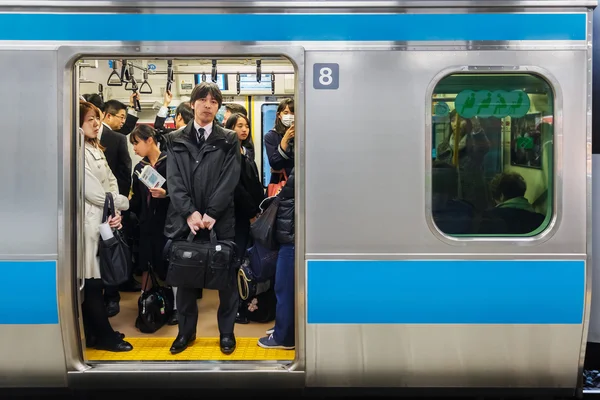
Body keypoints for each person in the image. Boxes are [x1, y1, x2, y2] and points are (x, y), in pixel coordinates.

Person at [163, 82, 241, 355]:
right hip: (187, 222)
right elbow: (174, 180)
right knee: (185, 280)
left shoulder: (229, 139)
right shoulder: (174, 139)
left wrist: (211, 213)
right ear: (193, 103)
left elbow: (229, 179)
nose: (208, 105)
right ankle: (185, 333)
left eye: (214, 101)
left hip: (219, 222)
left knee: (226, 280)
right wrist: (189, 213)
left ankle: (227, 334)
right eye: (203, 99)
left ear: (218, 108)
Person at [80, 100, 133, 352]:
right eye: (89, 118)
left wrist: (116, 208)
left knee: (98, 281)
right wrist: (121, 203)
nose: (95, 122)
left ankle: (97, 333)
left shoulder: (95, 148)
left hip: (103, 220)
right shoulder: (78, 150)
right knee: (92, 282)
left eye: (96, 118)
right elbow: (94, 193)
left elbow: (111, 181)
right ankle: (102, 335)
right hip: (89, 224)